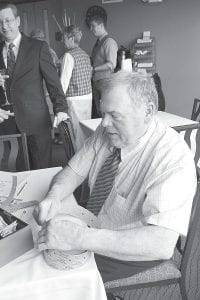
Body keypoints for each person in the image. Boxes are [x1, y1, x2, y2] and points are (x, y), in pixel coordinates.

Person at [34, 71, 196, 283]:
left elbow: (161, 244)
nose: (104, 124)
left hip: (135, 249)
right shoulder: (106, 134)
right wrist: (54, 196)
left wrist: (77, 237)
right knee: (40, 254)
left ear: (148, 111)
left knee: (51, 274)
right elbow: (73, 171)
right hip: (96, 224)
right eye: (103, 114)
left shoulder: (171, 157)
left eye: (115, 115)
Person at [0, 2, 68, 169]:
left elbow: (54, 83)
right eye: (0, 22)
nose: (4, 26)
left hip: (36, 123)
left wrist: (61, 108)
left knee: (41, 169)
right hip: (7, 125)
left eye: (8, 20)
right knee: (15, 171)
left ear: (17, 21)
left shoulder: (38, 47)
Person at [60, 25, 92, 150]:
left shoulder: (68, 56)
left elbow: (63, 83)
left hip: (74, 98)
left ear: (71, 38)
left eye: (64, 38)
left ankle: (77, 161)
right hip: (87, 97)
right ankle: (85, 157)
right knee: (85, 130)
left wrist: (58, 101)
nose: (63, 41)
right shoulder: (85, 55)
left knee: (76, 132)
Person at [89, 15, 118, 117]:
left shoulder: (109, 42)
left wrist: (94, 69)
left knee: (106, 111)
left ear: (101, 25)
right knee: (99, 111)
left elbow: (111, 64)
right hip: (97, 81)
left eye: (93, 26)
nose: (91, 29)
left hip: (105, 81)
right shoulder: (98, 43)